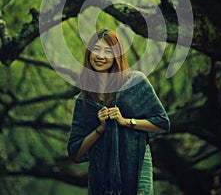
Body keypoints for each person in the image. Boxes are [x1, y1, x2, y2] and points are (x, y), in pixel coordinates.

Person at [67, 28, 170, 195]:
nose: (100, 56)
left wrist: (125, 122)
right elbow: (75, 151)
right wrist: (99, 129)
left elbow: (162, 123)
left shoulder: (135, 82)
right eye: (96, 50)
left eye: (108, 51)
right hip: (101, 175)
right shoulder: (84, 99)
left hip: (137, 165)